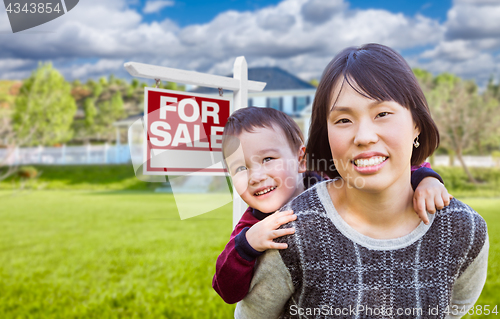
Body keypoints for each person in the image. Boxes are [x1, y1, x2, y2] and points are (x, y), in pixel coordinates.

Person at [235, 44, 488, 319]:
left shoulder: (463, 229)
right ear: (326, 134)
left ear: (416, 123)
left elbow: (455, 310)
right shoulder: (291, 230)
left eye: (382, 114)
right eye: (343, 120)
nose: (364, 136)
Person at [213, 107, 451, 304]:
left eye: (267, 159)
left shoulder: (328, 182)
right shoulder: (252, 225)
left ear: (301, 160)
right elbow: (227, 290)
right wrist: (247, 245)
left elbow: (387, 170)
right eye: (240, 169)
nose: (255, 176)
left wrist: (426, 179)